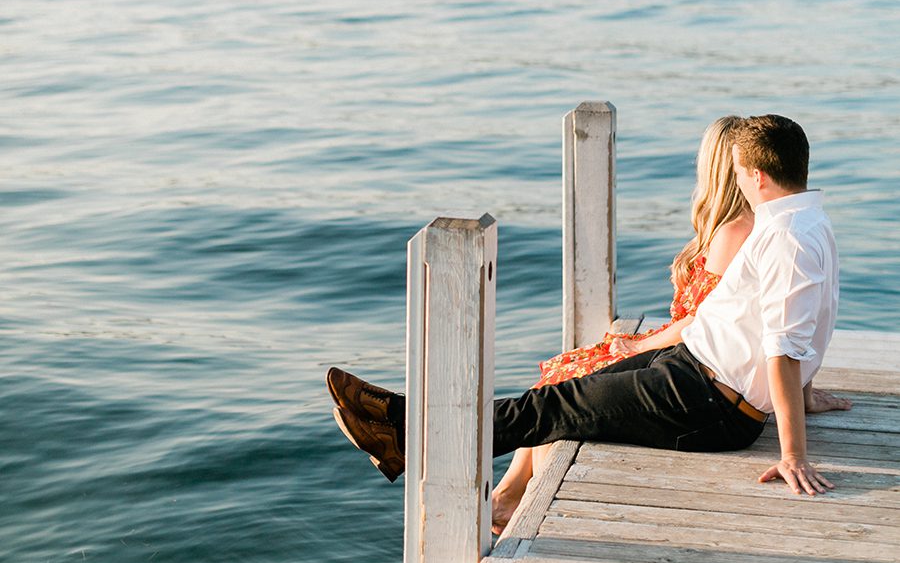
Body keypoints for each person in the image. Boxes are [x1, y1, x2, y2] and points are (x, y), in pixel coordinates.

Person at [328, 115, 850, 500]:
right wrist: (803, 394)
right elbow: (792, 323)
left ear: (758, 175)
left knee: (551, 409)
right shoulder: (802, 224)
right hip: (691, 367)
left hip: (711, 405)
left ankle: (408, 428)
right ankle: (411, 431)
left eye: (738, 173)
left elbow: (785, 345)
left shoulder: (788, 239)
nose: (735, 182)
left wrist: (794, 455)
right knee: (561, 394)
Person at [492, 115, 753, 531]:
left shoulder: (732, 232)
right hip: (687, 352)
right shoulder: (737, 227)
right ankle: (509, 492)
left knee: (569, 375)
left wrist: (636, 347)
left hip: (688, 358)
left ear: (714, 167)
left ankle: (508, 495)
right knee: (565, 371)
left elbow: (694, 322)